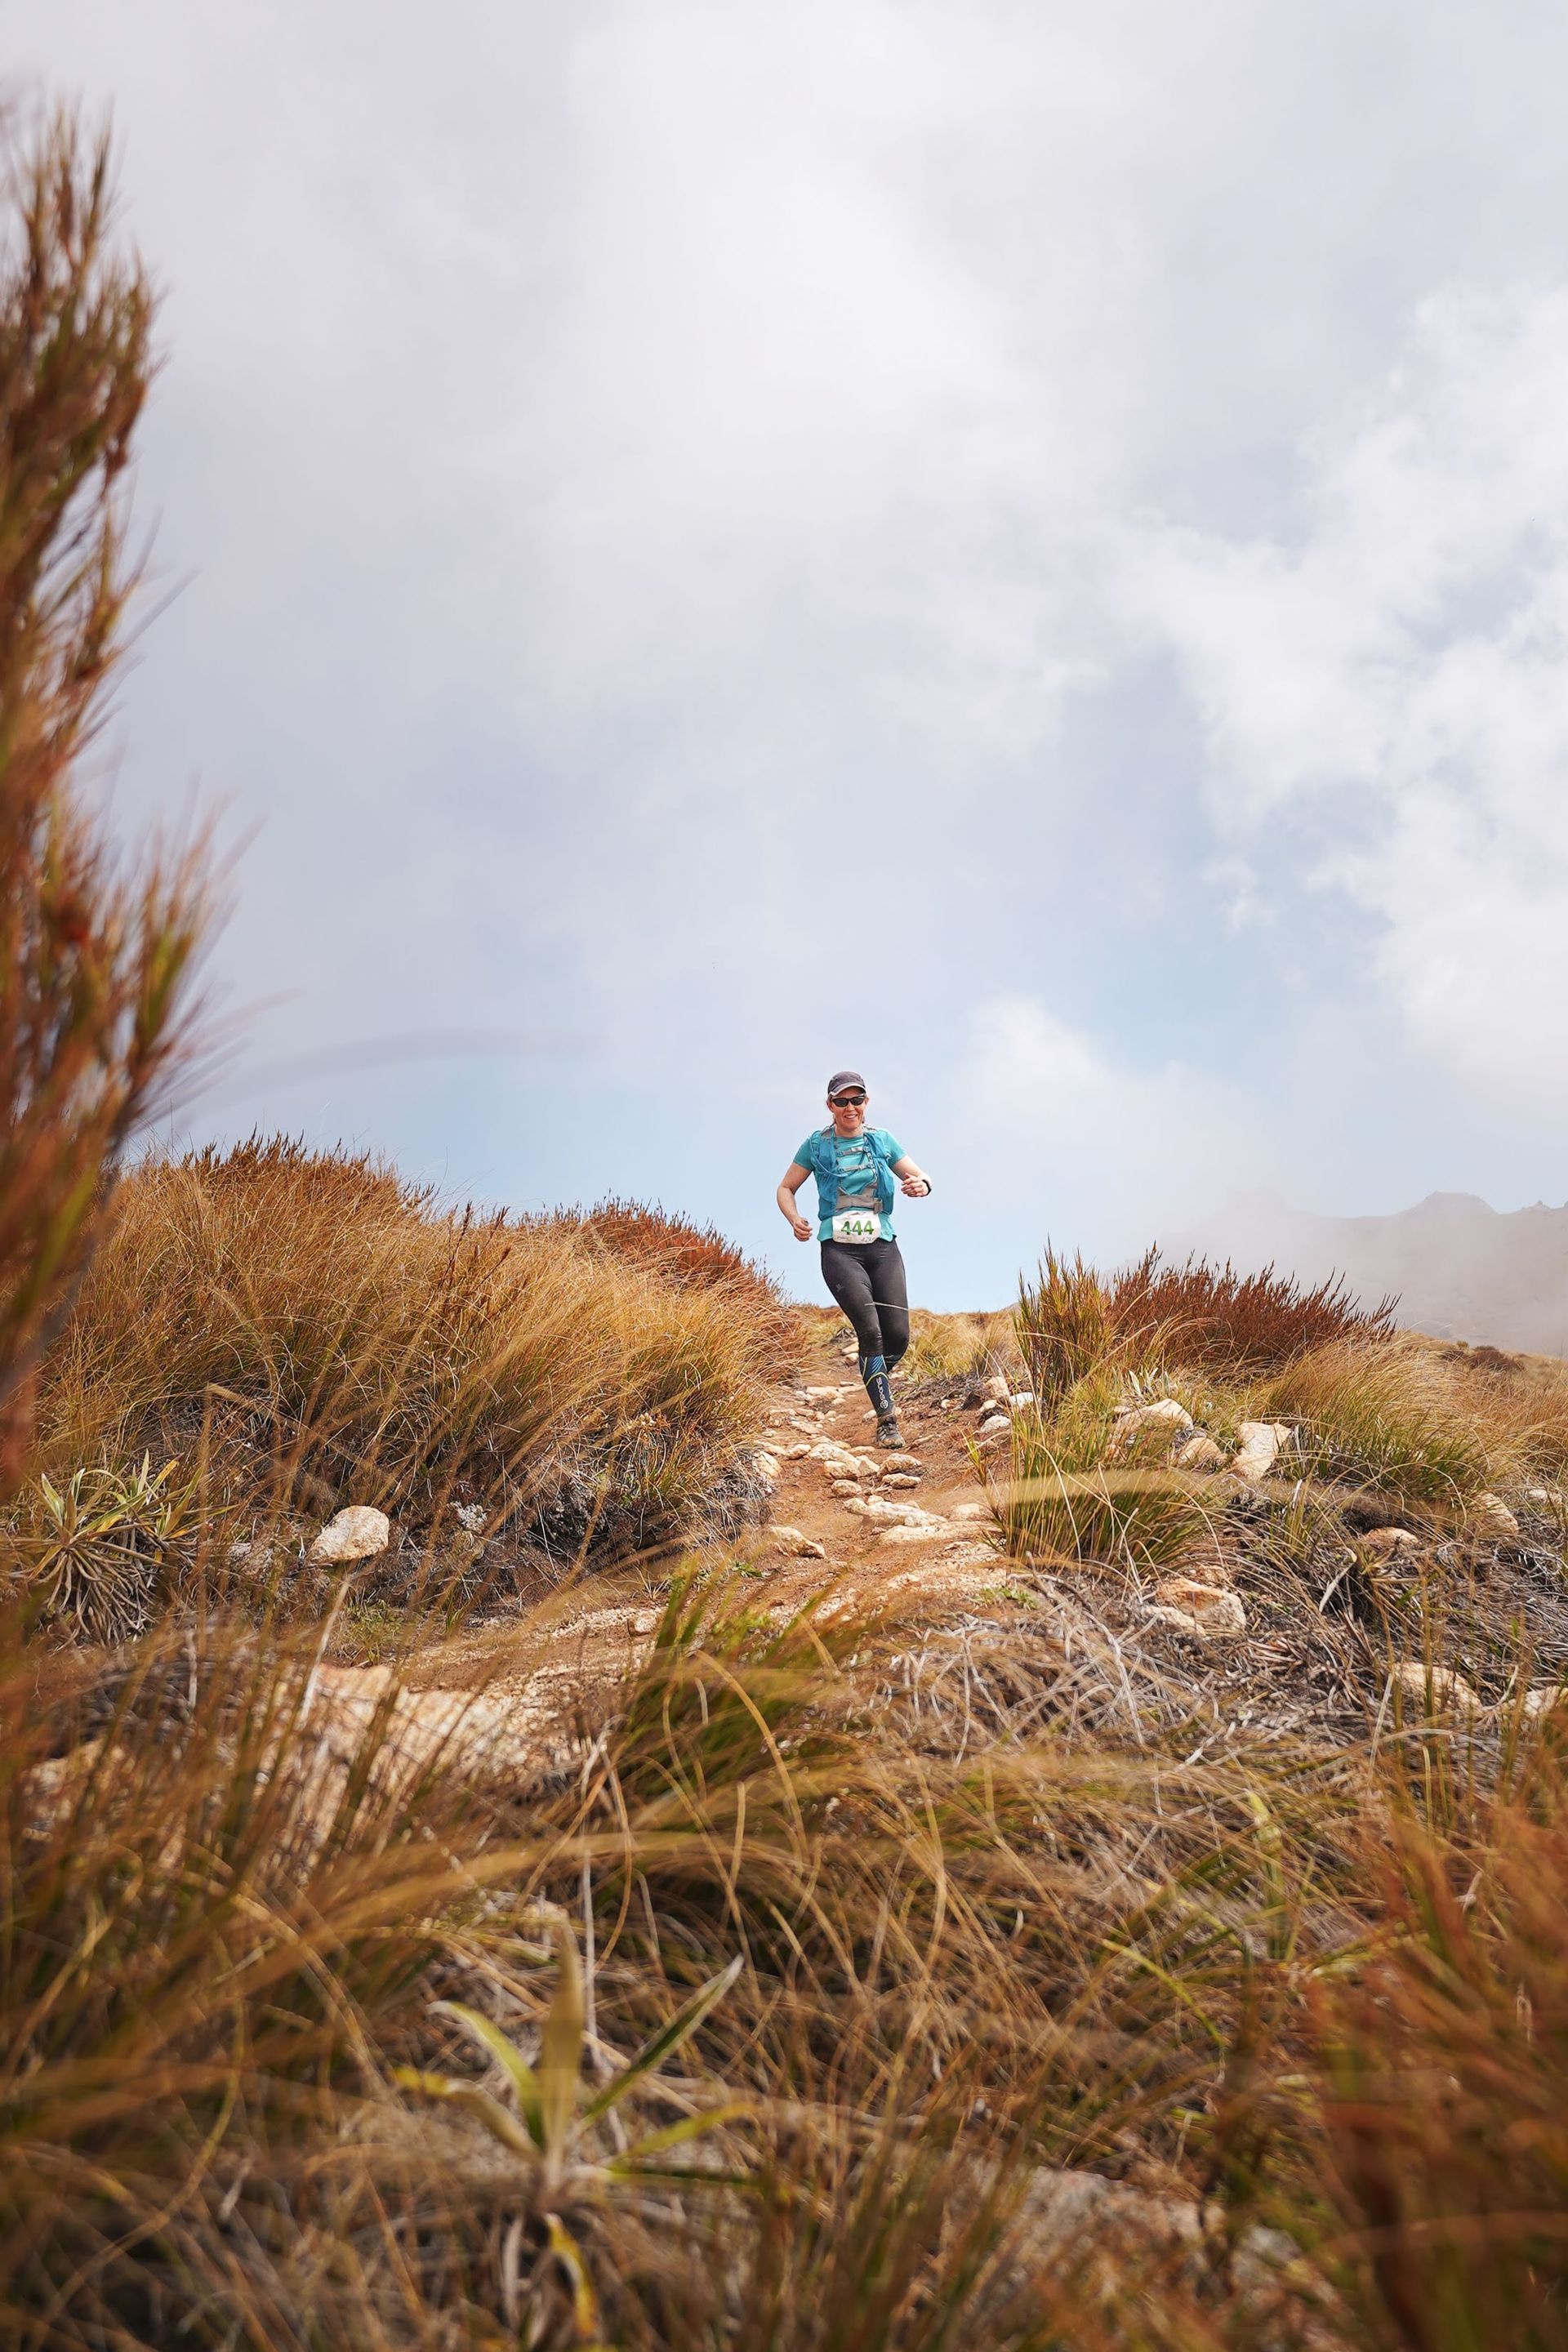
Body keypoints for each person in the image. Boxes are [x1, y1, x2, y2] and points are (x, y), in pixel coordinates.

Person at [776, 1071, 932, 1448]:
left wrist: (920, 1186)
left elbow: (921, 1176)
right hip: (839, 1249)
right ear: (830, 1106)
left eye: (856, 1100)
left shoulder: (882, 1141)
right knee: (871, 1331)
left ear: (866, 1103)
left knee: (898, 1335)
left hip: (882, 1245)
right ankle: (887, 1420)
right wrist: (794, 1219)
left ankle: (872, 1375)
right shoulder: (816, 1146)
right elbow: (785, 1188)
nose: (850, 1107)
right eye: (841, 1101)